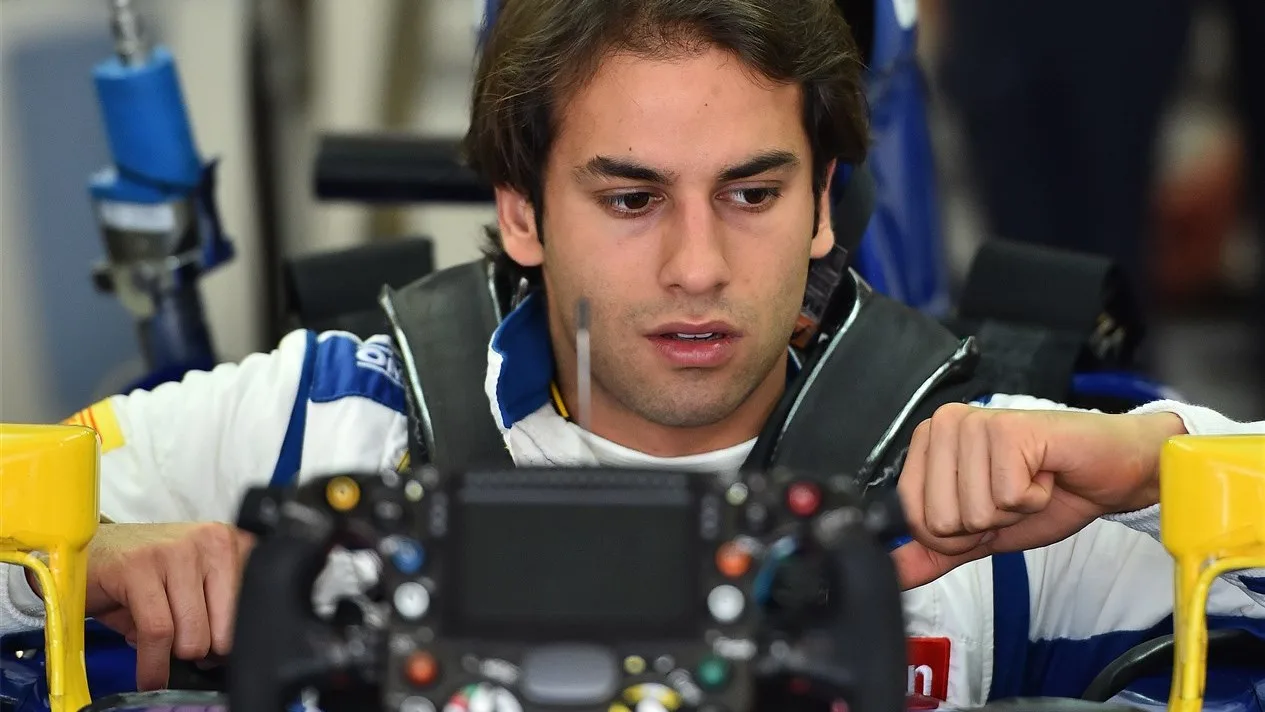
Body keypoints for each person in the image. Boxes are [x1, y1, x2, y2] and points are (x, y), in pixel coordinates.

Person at [3, 0, 1263, 704]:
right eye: (629, 198)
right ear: (518, 210)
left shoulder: (991, 496)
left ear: (824, 202)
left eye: (752, 194)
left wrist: (1159, 466)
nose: (697, 267)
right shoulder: (325, 424)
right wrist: (92, 558)